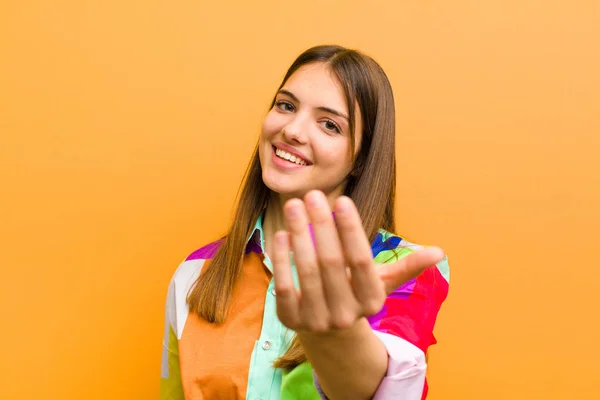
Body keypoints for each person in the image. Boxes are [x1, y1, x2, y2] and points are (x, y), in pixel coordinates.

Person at [160, 45, 450, 400]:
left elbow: (380, 391)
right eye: (286, 106)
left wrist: (334, 335)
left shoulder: (399, 268)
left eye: (329, 125)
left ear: (361, 158)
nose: (293, 130)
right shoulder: (194, 273)